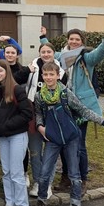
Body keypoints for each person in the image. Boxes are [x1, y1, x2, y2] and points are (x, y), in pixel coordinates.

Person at [31, 61, 104, 206]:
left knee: (74, 174)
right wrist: (40, 127)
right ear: (42, 76)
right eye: (45, 74)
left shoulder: (66, 93)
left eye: (52, 74)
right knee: (44, 173)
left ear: (58, 76)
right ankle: (41, 202)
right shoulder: (39, 96)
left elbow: (83, 110)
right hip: (52, 140)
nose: (48, 77)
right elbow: (38, 114)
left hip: (71, 138)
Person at [43, 27, 104, 193]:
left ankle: (82, 179)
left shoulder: (86, 58)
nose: (74, 42)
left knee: (78, 145)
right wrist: (43, 37)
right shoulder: (60, 57)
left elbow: (99, 53)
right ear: (67, 41)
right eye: (71, 39)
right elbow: (47, 53)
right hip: (63, 106)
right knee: (63, 143)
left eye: (77, 39)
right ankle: (66, 177)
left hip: (79, 107)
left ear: (82, 42)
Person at [0, 60, 33, 206]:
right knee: (6, 171)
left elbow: (26, 114)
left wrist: (7, 125)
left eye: (0, 71)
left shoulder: (17, 90)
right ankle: (10, 202)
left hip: (17, 136)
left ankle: (22, 205)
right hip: (3, 138)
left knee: (17, 172)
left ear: (6, 72)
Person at [26, 41, 66, 196]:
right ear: (39, 53)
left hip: (54, 117)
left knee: (50, 154)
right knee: (35, 152)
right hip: (34, 114)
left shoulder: (61, 71)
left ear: (53, 53)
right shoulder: (32, 68)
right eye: (43, 51)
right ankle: (37, 182)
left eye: (49, 51)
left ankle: (47, 184)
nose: (46, 54)